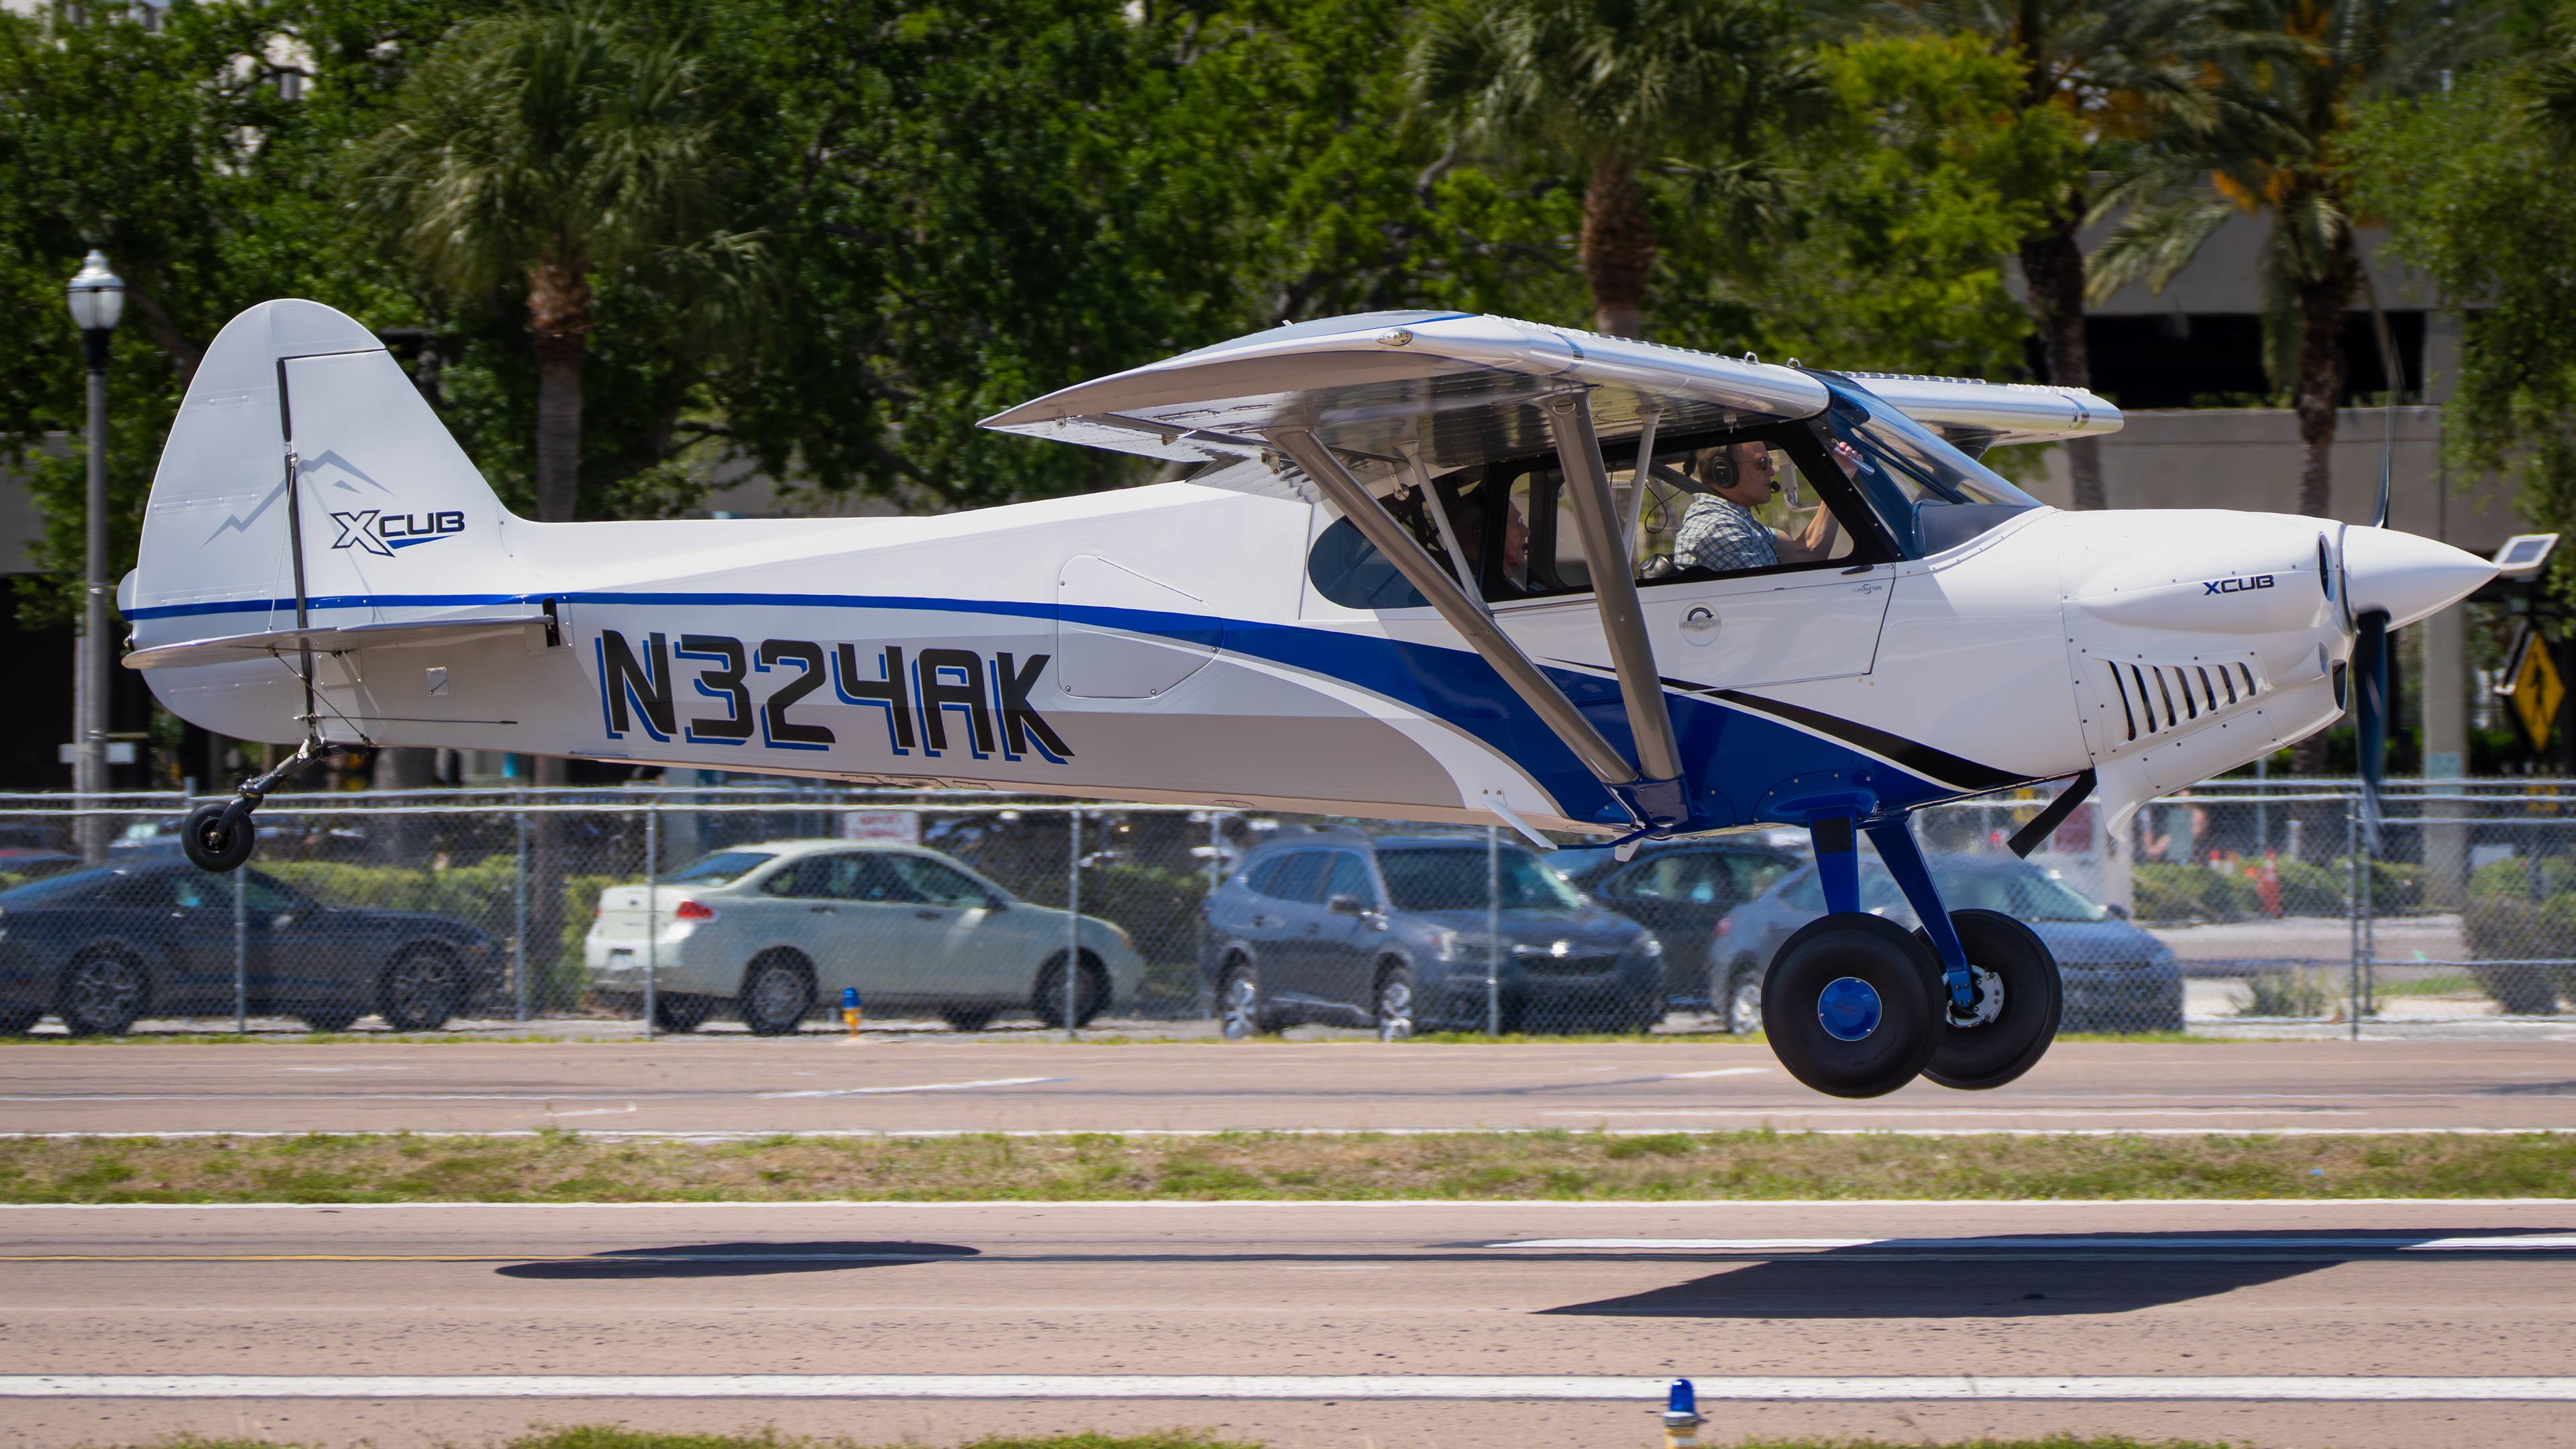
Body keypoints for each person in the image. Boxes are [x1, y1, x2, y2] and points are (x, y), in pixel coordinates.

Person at [1672, 441, 1839, 574]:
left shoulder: (1737, 521)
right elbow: (1770, 597)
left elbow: (1806, 553)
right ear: (1724, 472)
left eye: (1770, 462)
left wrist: (1840, 476)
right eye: (1762, 463)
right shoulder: (1719, 529)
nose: (1772, 472)